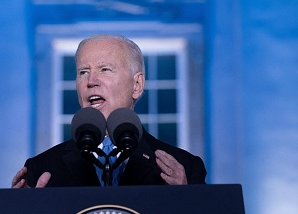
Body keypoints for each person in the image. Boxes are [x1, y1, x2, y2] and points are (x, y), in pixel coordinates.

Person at [12, 34, 206, 188]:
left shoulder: (184, 169)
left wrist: (186, 199)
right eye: (83, 72)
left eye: (104, 69)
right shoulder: (42, 169)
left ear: (137, 85)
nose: (91, 81)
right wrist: (25, 212)